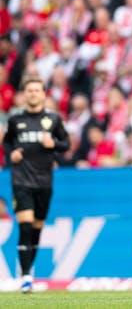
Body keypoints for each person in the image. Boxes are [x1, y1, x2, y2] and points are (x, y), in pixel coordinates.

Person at [2, 77, 69, 293]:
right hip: (21, 180)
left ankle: (28, 271)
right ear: (24, 94)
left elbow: (66, 144)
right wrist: (11, 154)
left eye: (36, 90)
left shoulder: (53, 119)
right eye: (29, 90)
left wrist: (54, 144)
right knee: (25, 224)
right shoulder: (15, 120)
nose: (33, 93)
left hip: (44, 181)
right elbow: (7, 141)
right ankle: (26, 276)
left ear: (43, 94)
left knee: (37, 228)